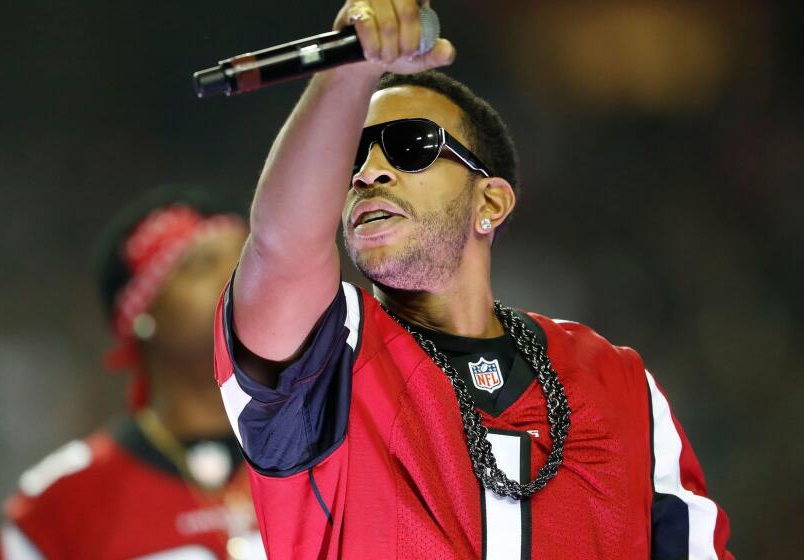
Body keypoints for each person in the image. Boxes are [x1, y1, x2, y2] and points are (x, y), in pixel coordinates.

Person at [213, 1, 734, 558]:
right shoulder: (325, 359)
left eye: (411, 146)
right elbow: (281, 247)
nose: (368, 172)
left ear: (490, 200)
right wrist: (349, 73)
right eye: (351, 158)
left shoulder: (619, 381)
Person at [0, 188, 265, 560]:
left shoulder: (337, 451)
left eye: (248, 259)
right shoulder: (57, 502)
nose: (238, 277)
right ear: (139, 313)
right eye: (201, 266)